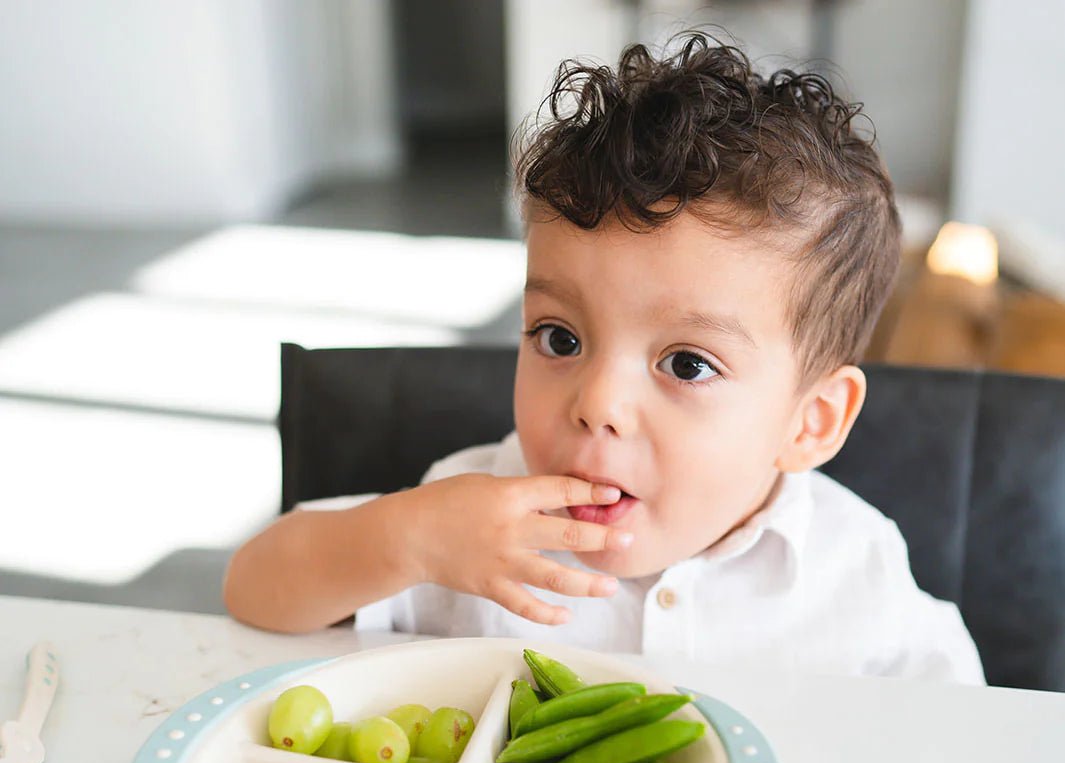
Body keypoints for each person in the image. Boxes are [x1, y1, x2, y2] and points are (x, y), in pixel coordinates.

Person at [224, 33, 984, 684]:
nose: (597, 402)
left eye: (686, 364)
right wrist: (406, 538)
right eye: (559, 338)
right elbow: (253, 587)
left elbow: (968, 734)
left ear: (810, 421)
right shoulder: (468, 516)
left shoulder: (854, 569)